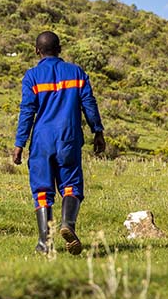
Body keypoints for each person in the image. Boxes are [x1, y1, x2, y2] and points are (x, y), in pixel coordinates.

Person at [12, 31, 105, 255]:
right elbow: (89, 104)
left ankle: (45, 242)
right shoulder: (77, 72)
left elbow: (27, 111)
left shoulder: (32, 76)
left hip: (42, 141)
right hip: (69, 138)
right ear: (60, 49)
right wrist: (98, 131)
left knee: (42, 190)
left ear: (37, 51)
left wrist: (19, 143)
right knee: (71, 185)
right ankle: (68, 224)